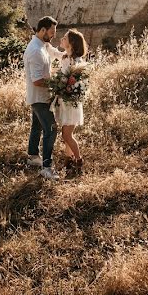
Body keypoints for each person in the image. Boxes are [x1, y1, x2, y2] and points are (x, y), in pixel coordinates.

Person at [23, 15, 64, 180]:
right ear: (42, 30)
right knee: (51, 129)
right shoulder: (35, 51)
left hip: (41, 97)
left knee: (37, 127)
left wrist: (69, 56)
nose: (54, 35)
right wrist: (58, 83)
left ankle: (33, 157)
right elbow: (38, 80)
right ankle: (47, 168)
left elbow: (55, 52)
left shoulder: (43, 44)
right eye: (52, 32)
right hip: (39, 98)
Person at [53, 29, 87, 173]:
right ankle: (69, 161)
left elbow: (80, 85)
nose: (62, 38)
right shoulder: (66, 58)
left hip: (72, 102)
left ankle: (79, 160)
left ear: (71, 43)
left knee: (67, 134)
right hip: (64, 102)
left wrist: (68, 87)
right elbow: (54, 54)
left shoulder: (78, 62)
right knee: (65, 133)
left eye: (65, 38)